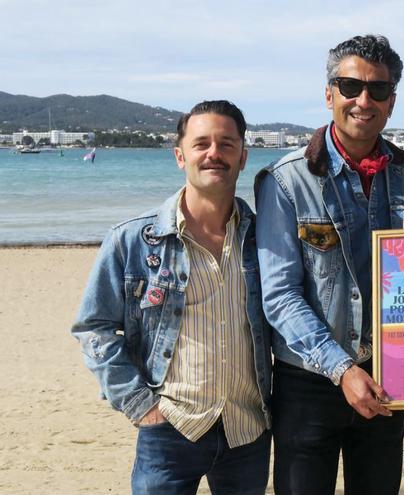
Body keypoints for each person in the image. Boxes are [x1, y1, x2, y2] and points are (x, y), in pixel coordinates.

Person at [71, 100, 272, 494]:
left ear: (243, 156)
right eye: (202, 144)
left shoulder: (264, 238)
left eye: (226, 144)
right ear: (181, 156)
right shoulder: (131, 239)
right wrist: (139, 405)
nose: (214, 153)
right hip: (170, 427)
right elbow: (93, 328)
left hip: (247, 429)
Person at [254, 34, 404, 495]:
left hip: (387, 378)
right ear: (329, 94)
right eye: (350, 87)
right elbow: (280, 295)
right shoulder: (285, 180)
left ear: (391, 101)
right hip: (308, 382)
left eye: (378, 90)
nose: (363, 100)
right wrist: (342, 369)